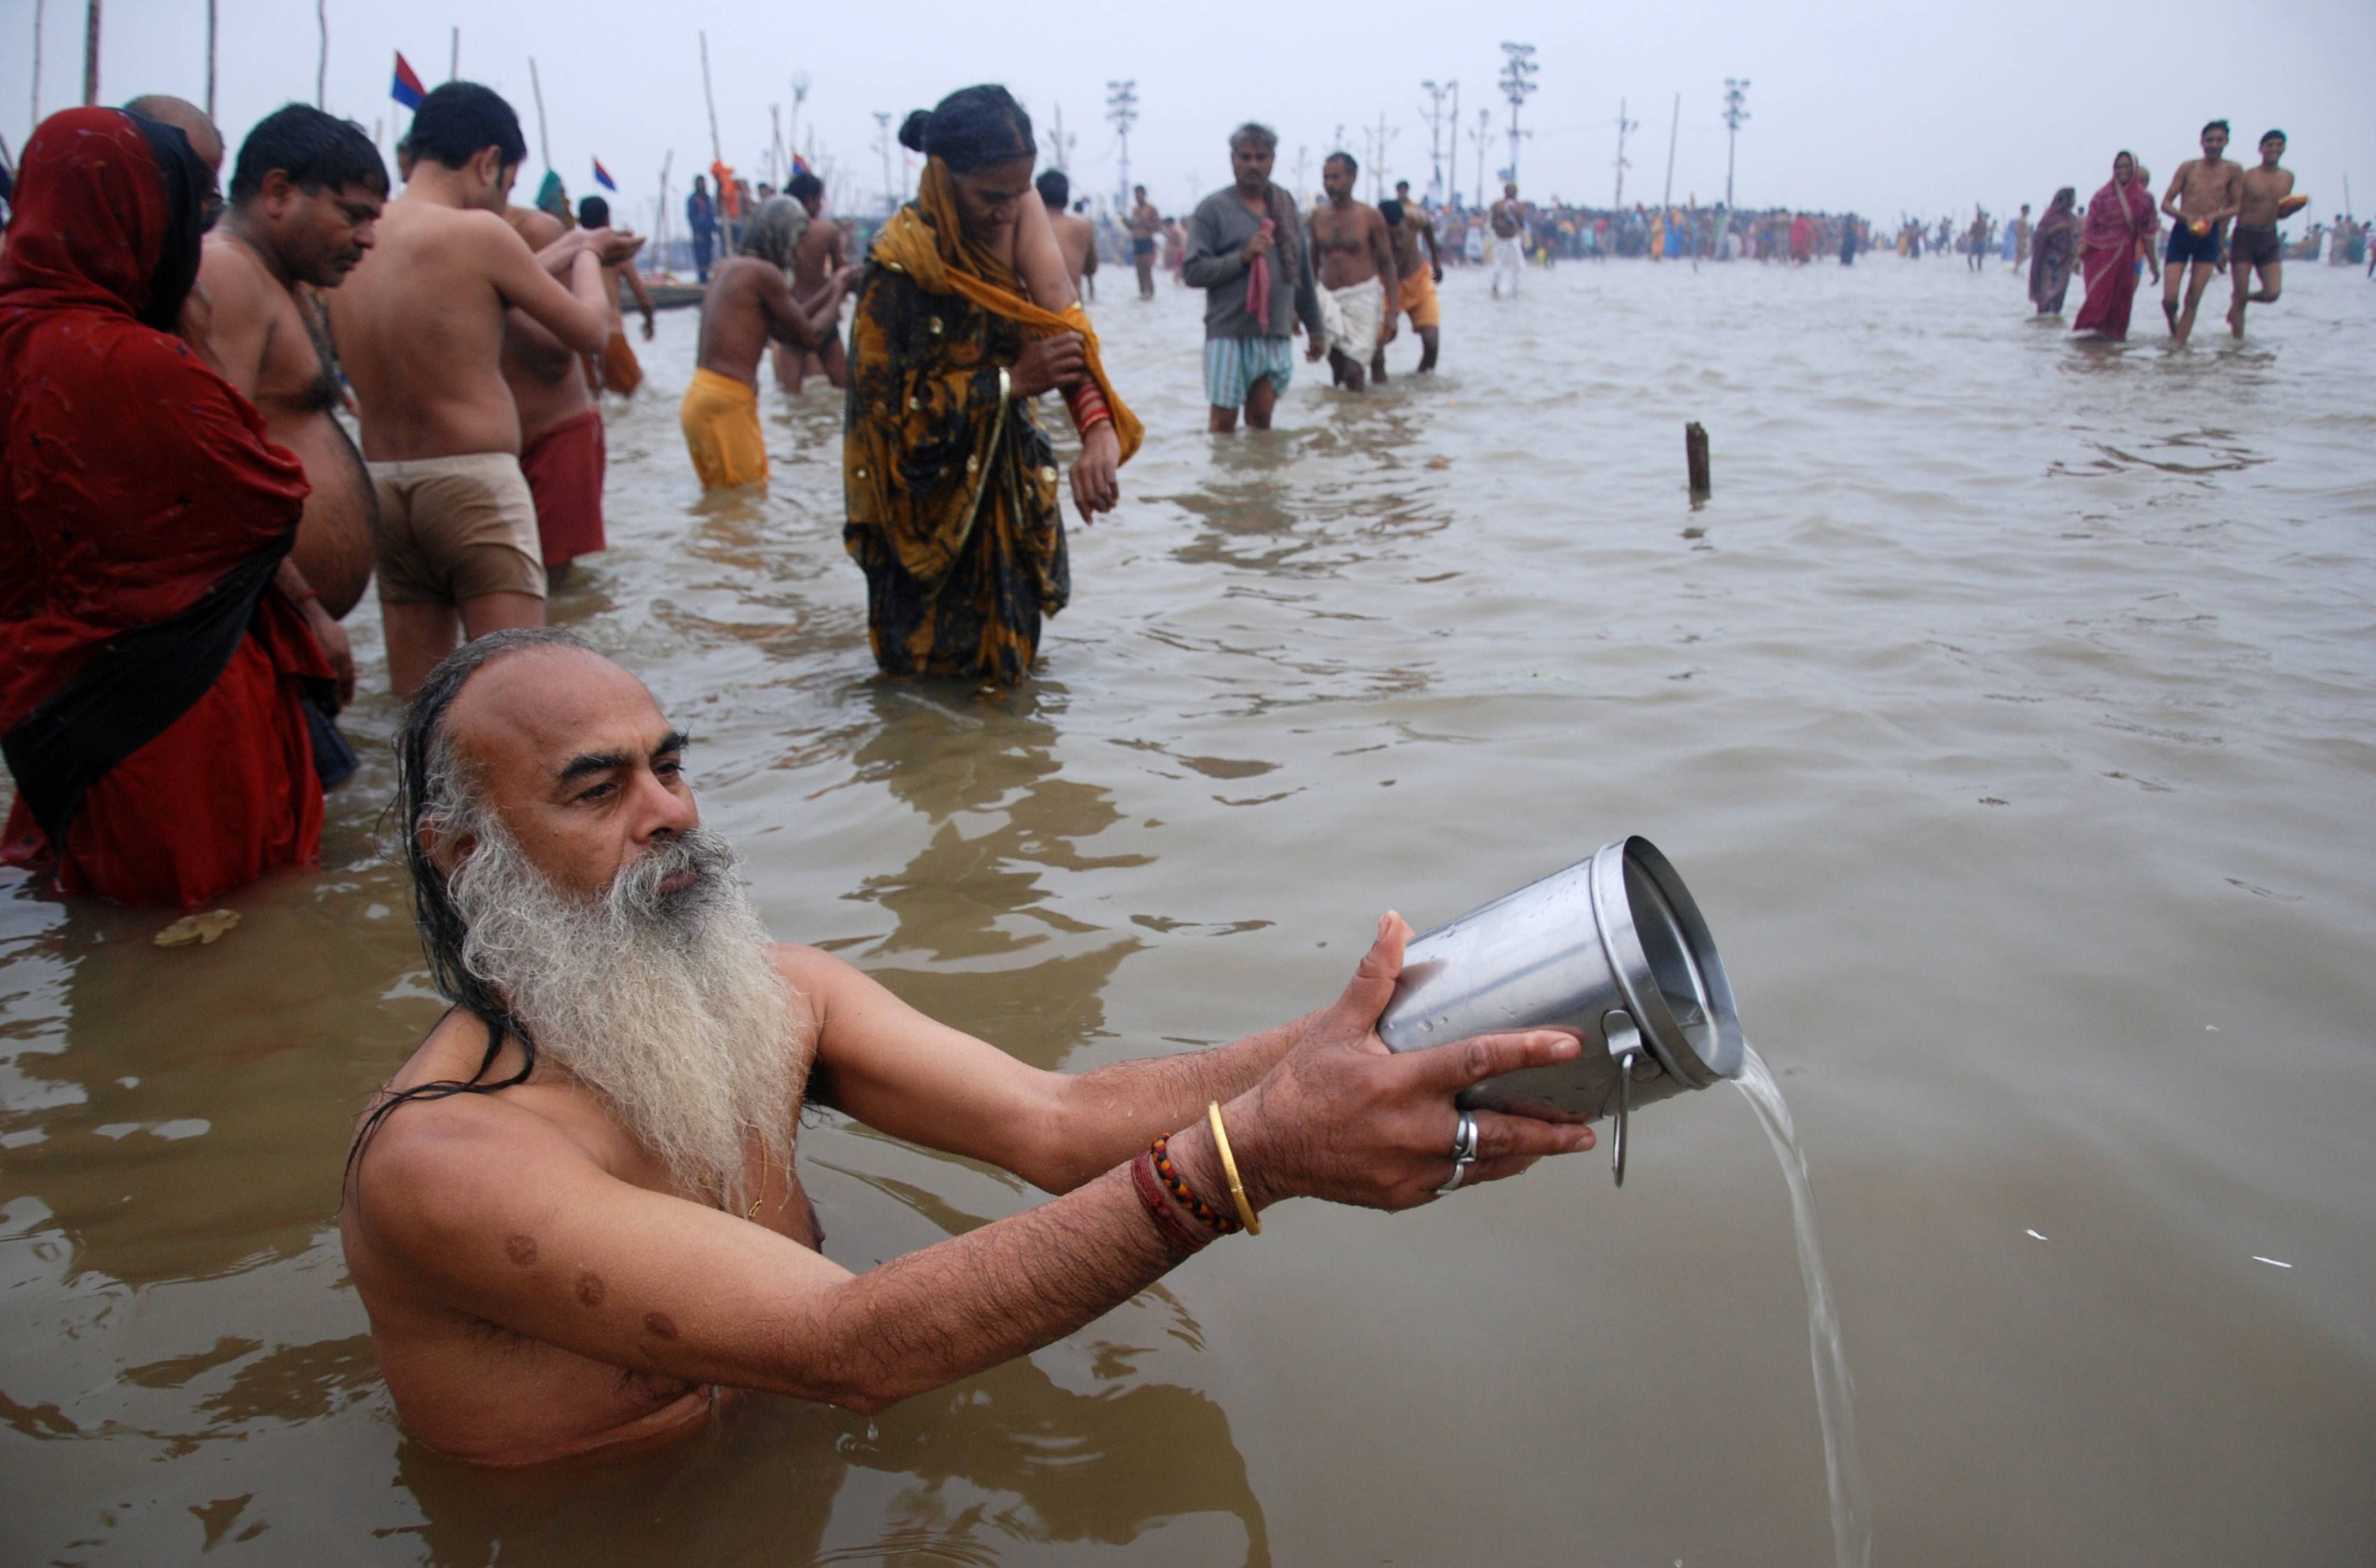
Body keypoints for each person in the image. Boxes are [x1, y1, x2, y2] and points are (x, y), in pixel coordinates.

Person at [339, 629, 1596, 1465]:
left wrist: (1390, 1033)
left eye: (668, 767)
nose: (670, 813)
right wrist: (1250, 1157)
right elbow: (857, 1347)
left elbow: (1055, 1124)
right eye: (596, 789)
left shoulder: (785, 1002)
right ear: (463, 854)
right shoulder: (445, 1160)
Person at [1, 107, 338, 906]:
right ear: (139, 215)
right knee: (234, 927)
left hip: (49, 699)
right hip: (179, 710)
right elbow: (264, 493)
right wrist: (198, 345)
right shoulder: (127, 358)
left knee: (114, 925)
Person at [325, 82, 638, 696]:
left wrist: (569, 244)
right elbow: (589, 331)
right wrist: (591, 255)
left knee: (421, 713)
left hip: (383, 487)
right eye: (507, 182)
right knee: (520, 696)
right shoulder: (477, 234)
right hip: (473, 487)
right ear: (488, 162)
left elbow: (463, 295)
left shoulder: (354, 238)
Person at [843, 86, 1139, 683]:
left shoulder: (1018, 207)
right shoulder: (898, 267)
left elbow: (1061, 326)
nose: (1007, 210)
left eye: (1018, 193)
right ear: (942, 177)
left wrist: (1098, 431)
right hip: (922, 500)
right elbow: (885, 424)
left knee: (1008, 680)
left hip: (1004, 480)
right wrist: (1010, 381)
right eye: (990, 197)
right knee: (923, 682)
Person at [199, 101, 387, 753]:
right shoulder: (226, 271)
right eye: (352, 214)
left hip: (281, 632)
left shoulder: (282, 281)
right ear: (278, 191)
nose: (367, 238)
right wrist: (305, 603)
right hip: (258, 628)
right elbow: (212, 466)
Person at [679, 198, 850, 489]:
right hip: (725, 404)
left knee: (732, 507)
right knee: (741, 507)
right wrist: (840, 289)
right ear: (779, 236)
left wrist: (832, 287)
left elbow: (787, 330)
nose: (797, 254)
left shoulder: (730, 267)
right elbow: (809, 336)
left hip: (703, 398)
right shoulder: (764, 274)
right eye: (796, 243)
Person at [1182, 123, 1324, 433]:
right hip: (1228, 332)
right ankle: (1224, 483)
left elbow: (1301, 273)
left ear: (1272, 160)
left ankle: (1261, 483)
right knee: (1223, 425)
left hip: (1275, 330)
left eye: (1261, 157)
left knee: (1261, 423)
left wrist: (1316, 329)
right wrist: (1241, 258)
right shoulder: (1213, 209)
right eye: (1245, 157)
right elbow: (1192, 271)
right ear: (1233, 159)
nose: (1253, 165)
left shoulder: (1283, 205)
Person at [502, 205, 608, 584]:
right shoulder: (437, 240)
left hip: (555, 433)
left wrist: (495, 301)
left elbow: (558, 354)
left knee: (555, 588)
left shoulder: (535, 231)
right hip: (494, 448)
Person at [1308, 153, 1398, 391]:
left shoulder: (1369, 217)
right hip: (1328, 298)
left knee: (1354, 371)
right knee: (1338, 369)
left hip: (1363, 298)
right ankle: (1343, 422)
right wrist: (1301, 309)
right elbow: (1311, 264)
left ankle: (1361, 425)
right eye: (1326, 178)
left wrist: (1392, 313)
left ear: (1353, 178)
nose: (1329, 184)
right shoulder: (1317, 217)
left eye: (1336, 177)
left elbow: (1388, 264)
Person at [2159, 120, 2243, 345]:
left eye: (2219, 140)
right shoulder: (2188, 168)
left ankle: (2179, 347)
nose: (2214, 144)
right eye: (2209, 140)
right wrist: (2184, 216)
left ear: (2226, 142)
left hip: (2209, 234)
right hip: (2182, 231)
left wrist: (2216, 216)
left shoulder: (2232, 170)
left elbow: (2237, 205)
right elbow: (2165, 203)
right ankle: (2173, 323)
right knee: (2169, 299)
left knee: (2193, 297)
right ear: (2202, 142)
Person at [771, 169, 853, 394]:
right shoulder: (827, 230)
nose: (821, 204)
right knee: (843, 388)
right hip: (823, 313)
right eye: (819, 199)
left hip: (791, 313)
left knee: (791, 395)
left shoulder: (780, 231)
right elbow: (841, 274)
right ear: (809, 200)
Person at [2073, 151, 2161, 341]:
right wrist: (2077, 258)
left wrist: (2154, 265)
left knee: (2121, 302)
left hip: (2127, 258)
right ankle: (2085, 344)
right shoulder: (2102, 196)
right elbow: (2089, 230)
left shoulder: (2145, 199)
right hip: (2100, 257)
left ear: (2135, 169)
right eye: (2118, 167)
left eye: (2126, 166)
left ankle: (2113, 350)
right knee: (2097, 301)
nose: (2122, 171)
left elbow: (2148, 234)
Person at [577, 194, 654, 396]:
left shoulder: (572, 252)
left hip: (581, 341)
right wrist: (649, 322)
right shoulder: (617, 252)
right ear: (607, 220)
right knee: (633, 397)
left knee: (595, 400)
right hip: (612, 337)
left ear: (579, 221)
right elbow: (642, 297)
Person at [2225, 130, 2294, 339]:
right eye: (2269, 145)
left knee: (2273, 293)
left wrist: (2292, 209)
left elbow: (2280, 212)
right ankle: (2238, 345)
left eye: (2278, 145)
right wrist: (2221, 243)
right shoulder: (2248, 176)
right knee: (2240, 291)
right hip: (2245, 236)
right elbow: (2231, 207)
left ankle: (2239, 302)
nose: (2274, 149)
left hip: (2269, 237)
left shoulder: (2288, 178)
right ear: (2260, 149)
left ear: (2284, 148)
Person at [1383, 181, 1442, 374]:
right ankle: (1378, 387)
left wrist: (1436, 260)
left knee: (1431, 341)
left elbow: (1428, 226)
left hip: (1418, 279)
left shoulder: (1413, 216)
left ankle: (1423, 385)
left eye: (1400, 235)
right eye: (1390, 238)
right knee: (1378, 342)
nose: (1397, 243)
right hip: (1386, 286)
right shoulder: (1372, 227)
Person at [1037, 169, 1099, 304]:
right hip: (1071, 313)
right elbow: (1091, 269)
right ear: (1066, 196)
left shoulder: (1024, 224)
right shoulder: (1083, 226)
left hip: (1033, 312)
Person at [2028, 188, 2079, 314]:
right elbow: (2039, 243)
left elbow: (2076, 241)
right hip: (2049, 265)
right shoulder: (2049, 219)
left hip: (2064, 266)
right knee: (2045, 301)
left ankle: (2052, 330)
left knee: (2057, 303)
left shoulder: (2072, 219)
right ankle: (2043, 330)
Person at [1490, 182, 1525, 296]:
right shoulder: (1516, 206)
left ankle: (1505, 287)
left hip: (1506, 238)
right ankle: (1510, 287)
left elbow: (1493, 223)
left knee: (1502, 264)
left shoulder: (1498, 205)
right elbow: (1521, 223)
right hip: (1508, 239)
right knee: (1515, 265)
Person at [1129, 185, 1160, 299]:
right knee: (1139, 270)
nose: (1137, 197)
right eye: (1135, 194)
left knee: (1147, 269)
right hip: (1136, 242)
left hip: (1147, 241)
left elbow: (1157, 226)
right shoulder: (1134, 210)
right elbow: (1132, 227)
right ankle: (1142, 293)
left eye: (1139, 194)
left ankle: (1150, 293)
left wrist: (1145, 222)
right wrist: (1127, 223)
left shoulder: (1151, 209)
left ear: (1144, 195)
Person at [686, 174, 719, 284]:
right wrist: (696, 231)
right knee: (701, 257)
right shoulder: (693, 199)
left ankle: (706, 279)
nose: (702, 185)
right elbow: (692, 217)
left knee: (708, 256)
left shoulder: (708, 199)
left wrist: (715, 228)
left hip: (708, 231)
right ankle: (702, 279)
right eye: (700, 183)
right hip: (699, 233)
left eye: (703, 182)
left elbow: (712, 214)